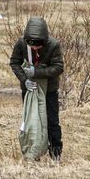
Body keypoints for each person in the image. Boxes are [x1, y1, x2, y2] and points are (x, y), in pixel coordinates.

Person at [9, 16, 64, 161]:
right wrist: (24, 79)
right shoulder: (21, 44)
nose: (35, 48)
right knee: (30, 120)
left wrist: (37, 72)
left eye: (38, 45)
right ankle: (32, 151)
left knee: (51, 121)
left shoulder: (53, 45)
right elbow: (14, 62)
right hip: (29, 89)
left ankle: (55, 152)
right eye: (32, 45)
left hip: (49, 90)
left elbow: (58, 67)